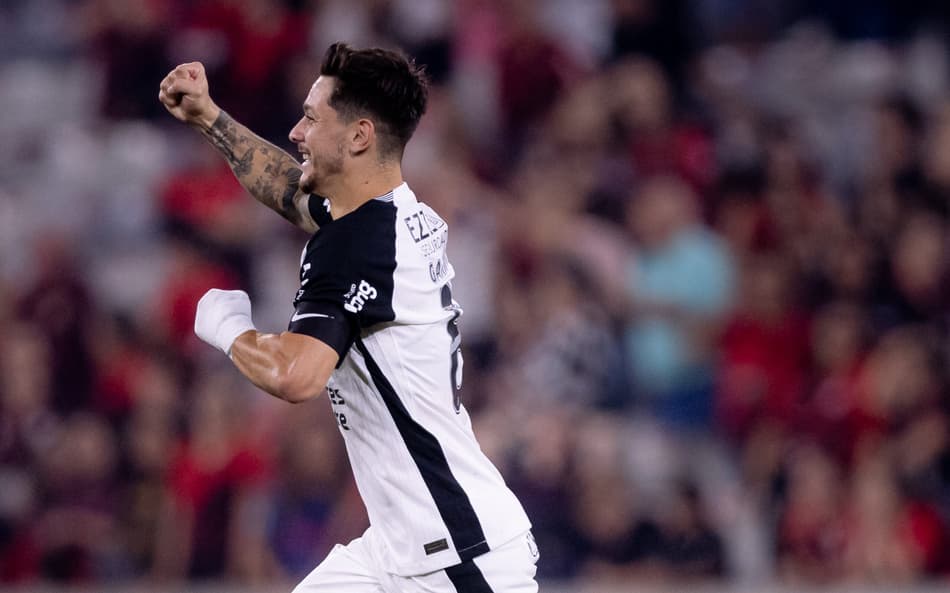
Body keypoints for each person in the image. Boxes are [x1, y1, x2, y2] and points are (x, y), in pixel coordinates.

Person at [157, 42, 539, 593]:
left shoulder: (357, 243)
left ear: (359, 136)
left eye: (311, 118)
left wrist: (224, 325)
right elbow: (291, 192)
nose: (295, 132)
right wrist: (210, 118)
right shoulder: (393, 216)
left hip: (458, 558)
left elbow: (296, 374)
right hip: (402, 545)